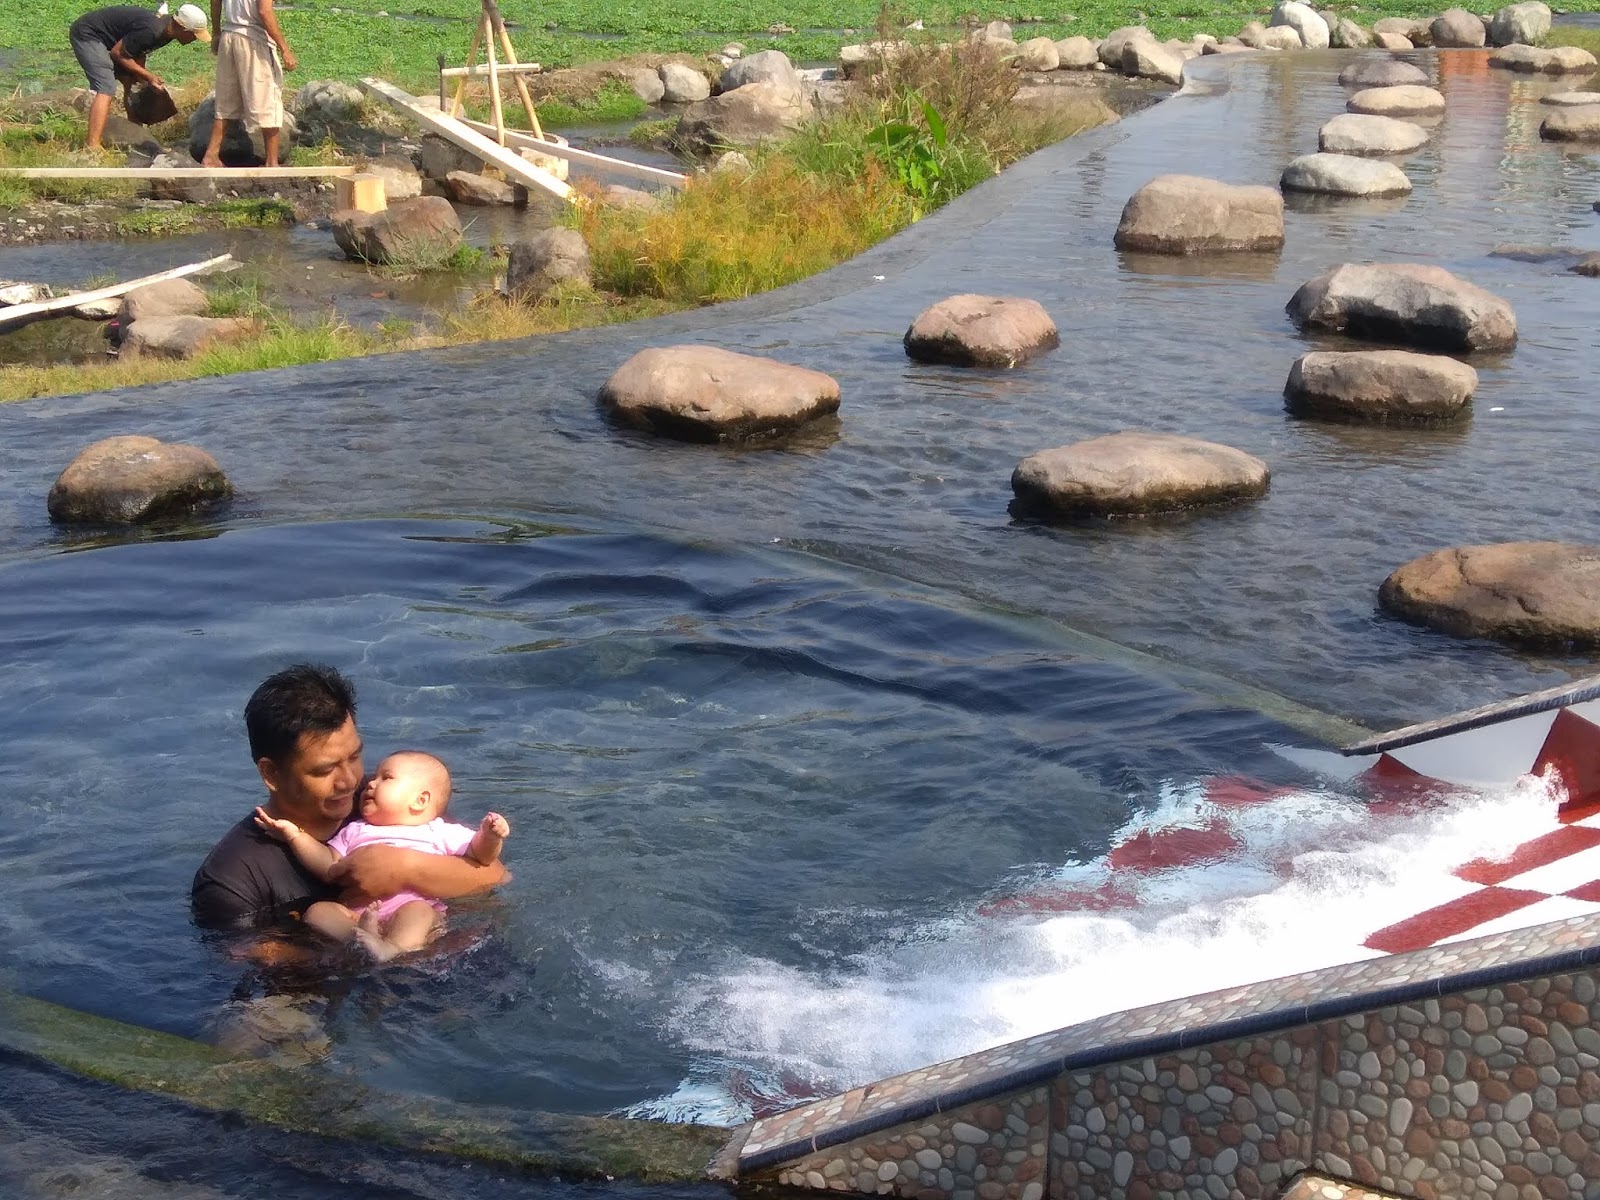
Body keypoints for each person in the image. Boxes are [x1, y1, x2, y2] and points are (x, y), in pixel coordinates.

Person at [191, 664, 507, 933]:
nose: (350, 781)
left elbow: (495, 876)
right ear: (271, 774)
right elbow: (258, 966)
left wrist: (405, 868)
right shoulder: (233, 879)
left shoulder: (383, 802)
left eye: (354, 756)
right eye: (325, 769)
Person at [253, 751, 511, 961]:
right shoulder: (355, 831)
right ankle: (360, 939)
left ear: (420, 801)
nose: (370, 783)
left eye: (386, 778)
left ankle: (393, 949)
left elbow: (480, 857)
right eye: (375, 776)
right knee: (318, 912)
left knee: (419, 911)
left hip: (411, 912)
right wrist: (296, 836)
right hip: (359, 915)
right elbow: (328, 865)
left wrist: (490, 837)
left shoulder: (439, 831)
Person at [69, 3, 211, 151]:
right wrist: (149, 76)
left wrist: (142, 78)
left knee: (133, 81)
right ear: (182, 28)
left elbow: (139, 50)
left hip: (113, 41)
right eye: (193, 35)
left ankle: (135, 134)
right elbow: (118, 53)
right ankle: (93, 146)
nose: (194, 39)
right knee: (106, 88)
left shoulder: (167, 31)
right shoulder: (153, 30)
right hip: (88, 34)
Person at [201, 0, 296, 168]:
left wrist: (216, 32)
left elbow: (216, 2)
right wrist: (284, 48)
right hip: (253, 39)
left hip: (229, 35)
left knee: (226, 100)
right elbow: (264, 11)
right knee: (268, 99)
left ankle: (211, 154)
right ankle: (272, 162)